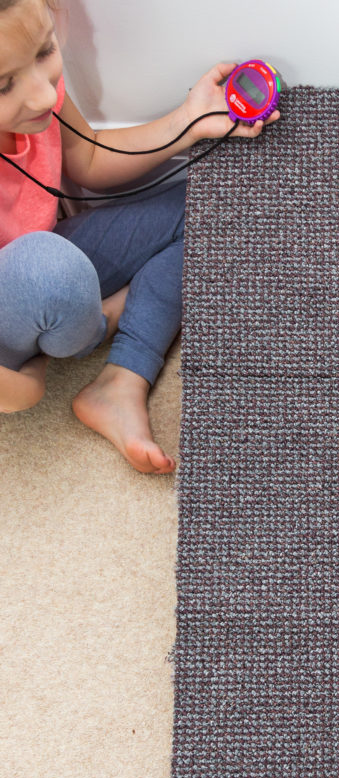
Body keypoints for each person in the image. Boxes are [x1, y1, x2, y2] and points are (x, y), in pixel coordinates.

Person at [0, 0, 278, 472]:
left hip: (52, 260)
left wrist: (188, 122)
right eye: (4, 85)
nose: (44, 97)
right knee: (49, 270)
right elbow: (23, 396)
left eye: (45, 52)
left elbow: (87, 161)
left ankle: (121, 380)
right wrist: (33, 371)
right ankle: (105, 320)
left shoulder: (37, 87)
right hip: (32, 293)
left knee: (213, 209)